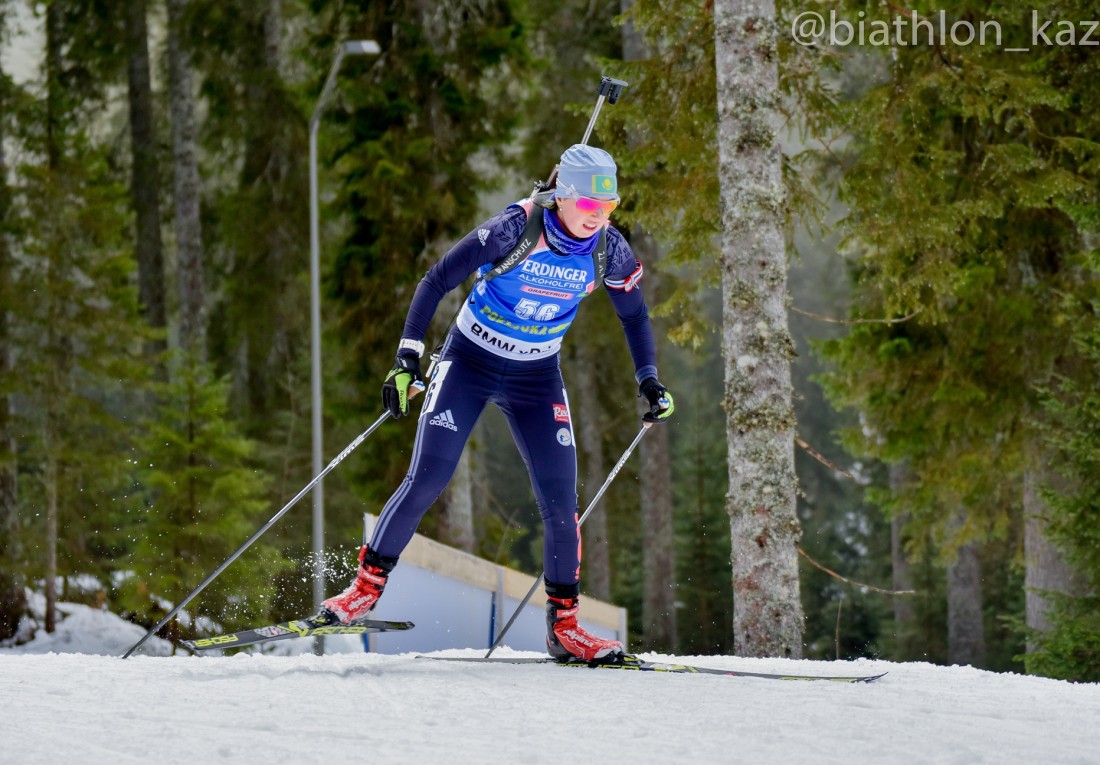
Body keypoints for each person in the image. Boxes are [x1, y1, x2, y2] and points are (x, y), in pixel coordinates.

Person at [319, 144, 674, 663]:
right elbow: (436, 279)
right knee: (430, 477)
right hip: (470, 361)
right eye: (590, 208)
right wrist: (406, 359)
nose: (599, 219)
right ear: (562, 197)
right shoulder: (515, 229)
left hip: (537, 377)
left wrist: (649, 379)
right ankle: (364, 591)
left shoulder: (609, 251)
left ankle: (564, 628)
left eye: (610, 208)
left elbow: (635, 316)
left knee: (560, 505)